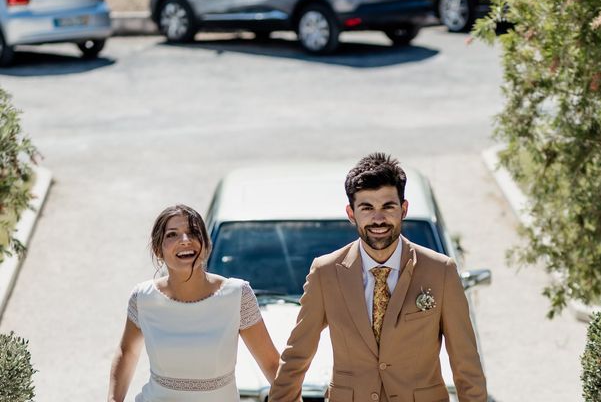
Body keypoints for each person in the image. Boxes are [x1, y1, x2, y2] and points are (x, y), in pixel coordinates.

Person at [269, 153, 487, 402]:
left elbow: (466, 364)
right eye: (367, 208)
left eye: (388, 206)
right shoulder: (325, 273)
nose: (378, 218)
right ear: (351, 213)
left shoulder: (441, 271)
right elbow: (297, 355)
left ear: (403, 209)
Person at [108, 204, 280, 402]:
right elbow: (127, 352)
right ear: (158, 249)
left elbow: (271, 365)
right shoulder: (142, 297)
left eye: (193, 233)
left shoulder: (238, 295)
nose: (185, 241)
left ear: (206, 245)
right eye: (172, 235)